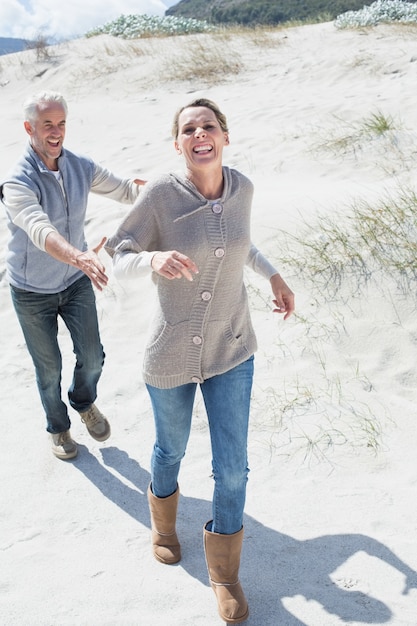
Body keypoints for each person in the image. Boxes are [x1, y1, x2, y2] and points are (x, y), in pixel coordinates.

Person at [105, 98, 295, 624]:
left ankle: (225, 575)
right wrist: (152, 258)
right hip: (171, 351)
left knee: (231, 469)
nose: (199, 134)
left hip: (232, 345)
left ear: (224, 136)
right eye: (188, 129)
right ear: (178, 143)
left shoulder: (243, 189)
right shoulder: (162, 196)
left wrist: (273, 275)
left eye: (207, 125)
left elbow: (239, 244)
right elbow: (117, 255)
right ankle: (164, 524)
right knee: (171, 448)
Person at [0, 90, 145, 461]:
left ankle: (83, 402)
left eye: (61, 123)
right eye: (47, 124)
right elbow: (38, 228)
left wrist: (165, 187)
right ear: (29, 128)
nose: (56, 131)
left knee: (93, 357)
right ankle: (59, 427)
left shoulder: (80, 166)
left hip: (75, 281)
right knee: (49, 369)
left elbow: (127, 190)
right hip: (32, 290)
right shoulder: (17, 181)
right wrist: (79, 255)